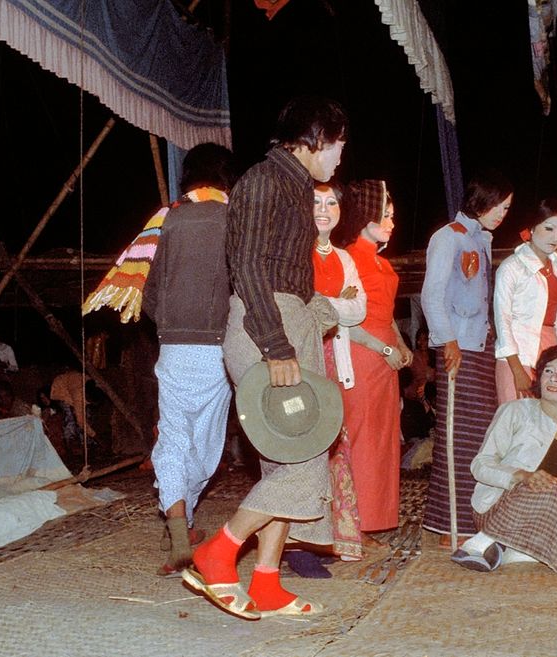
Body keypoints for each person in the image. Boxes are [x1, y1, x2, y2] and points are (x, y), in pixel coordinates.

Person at [183, 95, 348, 620]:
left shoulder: (295, 188)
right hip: (264, 328)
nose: (341, 157)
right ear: (315, 140)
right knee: (302, 462)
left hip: (287, 321)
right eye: (339, 145)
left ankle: (268, 581)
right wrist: (278, 345)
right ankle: (218, 552)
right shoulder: (262, 182)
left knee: (292, 455)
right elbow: (249, 267)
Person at [140, 142, 237, 577]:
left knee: (173, 439)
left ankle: (181, 525)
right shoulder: (235, 218)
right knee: (206, 446)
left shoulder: (167, 219)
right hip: (218, 348)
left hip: (174, 345)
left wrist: (165, 320)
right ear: (225, 178)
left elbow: (146, 288)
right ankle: (185, 519)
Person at [450, 344, 557, 573]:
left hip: (552, 515)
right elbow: (480, 465)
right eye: (548, 371)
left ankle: (516, 551)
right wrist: (522, 476)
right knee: (549, 489)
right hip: (502, 510)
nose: (553, 378)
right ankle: (488, 542)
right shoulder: (514, 411)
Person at [421, 170, 513, 545]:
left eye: (507, 209)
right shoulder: (447, 238)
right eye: (501, 207)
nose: (503, 214)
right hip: (458, 348)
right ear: (483, 200)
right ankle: (448, 527)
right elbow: (432, 295)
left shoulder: (482, 241)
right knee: (454, 436)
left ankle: (472, 519)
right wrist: (447, 342)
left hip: (480, 347)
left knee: (476, 437)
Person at [282, 181, 369, 578]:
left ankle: (327, 536)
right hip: (300, 361)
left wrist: (322, 301)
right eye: (315, 201)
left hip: (335, 361)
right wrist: (334, 301)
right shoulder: (291, 251)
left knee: (333, 448)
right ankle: (296, 543)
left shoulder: (344, 257)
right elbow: (296, 305)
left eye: (331, 202)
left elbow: (358, 311)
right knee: (300, 447)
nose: (324, 208)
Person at [331, 178, 411, 546]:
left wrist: (400, 343)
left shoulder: (379, 261)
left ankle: (374, 520)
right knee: (360, 438)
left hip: (386, 359)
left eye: (393, 215)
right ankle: (352, 523)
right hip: (361, 355)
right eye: (385, 216)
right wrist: (384, 349)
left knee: (383, 439)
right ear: (364, 218)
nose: (392, 223)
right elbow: (346, 320)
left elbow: (387, 313)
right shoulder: (349, 257)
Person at [493, 197, 557, 404]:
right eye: (549, 228)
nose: (555, 238)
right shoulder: (512, 267)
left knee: (548, 426)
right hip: (519, 354)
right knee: (517, 424)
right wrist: (516, 370)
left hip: (553, 354)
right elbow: (502, 321)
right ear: (532, 228)